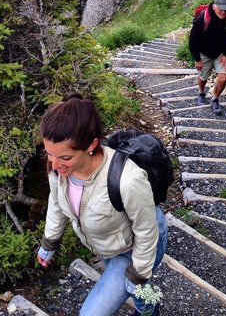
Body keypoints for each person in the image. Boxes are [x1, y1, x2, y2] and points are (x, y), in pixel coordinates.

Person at [37, 94, 168, 316]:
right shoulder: (59, 171)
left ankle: (149, 310)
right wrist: (49, 243)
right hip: (109, 243)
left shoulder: (128, 179)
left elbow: (146, 231)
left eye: (65, 157)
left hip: (140, 244)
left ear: (92, 145)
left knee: (112, 299)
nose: (55, 164)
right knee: (139, 287)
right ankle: (151, 303)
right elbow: (57, 203)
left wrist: (139, 272)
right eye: (50, 154)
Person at [189, 0, 226, 115]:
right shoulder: (202, 19)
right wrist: (197, 59)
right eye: (220, 9)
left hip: (220, 53)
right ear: (214, 6)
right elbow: (193, 40)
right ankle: (201, 92)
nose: (223, 12)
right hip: (203, 52)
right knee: (203, 77)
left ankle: (215, 99)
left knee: (223, 79)